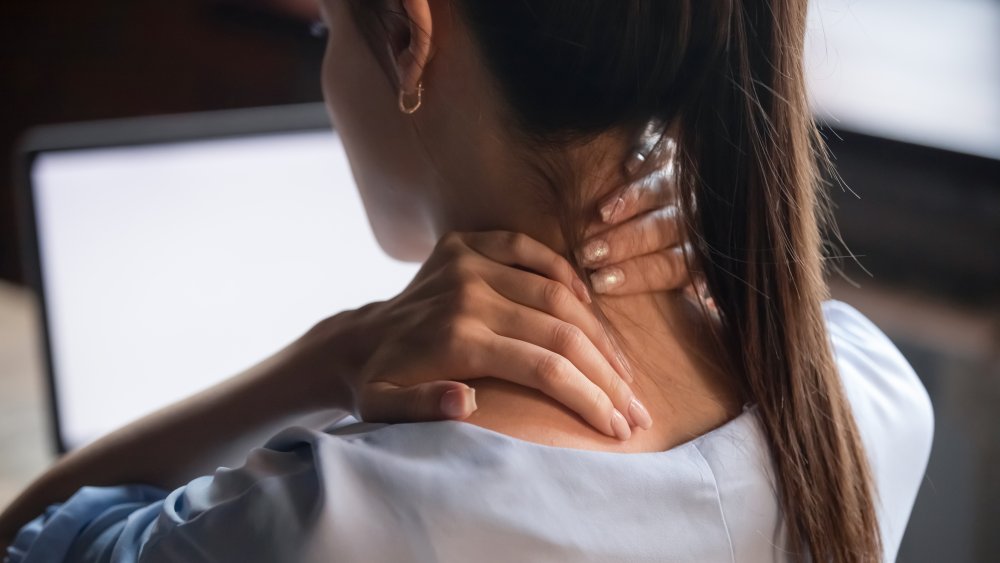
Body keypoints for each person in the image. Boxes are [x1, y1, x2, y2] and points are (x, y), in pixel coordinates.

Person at [0, 0, 934, 561]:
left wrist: (329, 356)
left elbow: (29, 536)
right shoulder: (864, 397)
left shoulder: (325, 523)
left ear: (410, 35)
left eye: (330, 24)